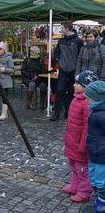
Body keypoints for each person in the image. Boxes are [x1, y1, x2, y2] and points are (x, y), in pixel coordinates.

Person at [62, 70, 98, 203]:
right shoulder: (76, 98)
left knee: (82, 169)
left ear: (86, 86)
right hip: (72, 141)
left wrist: (83, 145)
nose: (74, 85)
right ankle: (75, 185)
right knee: (74, 165)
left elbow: (87, 127)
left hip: (80, 144)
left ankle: (84, 191)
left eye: (77, 83)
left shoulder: (86, 103)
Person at [50, 21, 83, 121]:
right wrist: (59, 61)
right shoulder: (61, 40)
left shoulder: (78, 41)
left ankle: (68, 113)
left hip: (74, 70)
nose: (61, 30)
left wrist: (78, 68)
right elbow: (57, 52)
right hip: (63, 70)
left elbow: (80, 56)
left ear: (67, 28)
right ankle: (56, 113)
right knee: (59, 91)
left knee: (72, 92)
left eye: (62, 28)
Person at [85, 80, 105, 211]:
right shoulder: (95, 112)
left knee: (101, 181)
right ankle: (99, 200)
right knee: (95, 178)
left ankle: (101, 206)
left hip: (101, 154)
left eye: (88, 98)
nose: (86, 101)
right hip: (95, 152)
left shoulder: (101, 115)